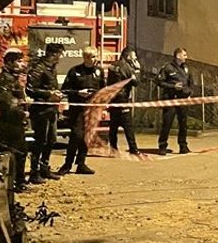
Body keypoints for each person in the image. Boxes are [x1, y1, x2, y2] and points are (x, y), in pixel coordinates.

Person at [59, 46, 104, 174]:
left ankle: (81, 163)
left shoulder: (99, 72)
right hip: (77, 109)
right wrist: (78, 93)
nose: (92, 60)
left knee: (86, 137)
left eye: (94, 57)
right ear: (84, 58)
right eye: (89, 57)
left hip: (92, 110)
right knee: (76, 136)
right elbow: (65, 90)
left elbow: (103, 90)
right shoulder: (75, 71)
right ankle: (67, 164)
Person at [24, 43, 64, 184]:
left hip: (51, 110)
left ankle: (44, 168)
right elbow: (30, 90)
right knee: (40, 141)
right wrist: (48, 94)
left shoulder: (51, 68)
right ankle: (34, 172)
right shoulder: (39, 68)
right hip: (40, 111)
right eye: (59, 54)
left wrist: (56, 94)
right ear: (53, 54)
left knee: (51, 140)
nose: (60, 57)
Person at [0, 50, 30, 191]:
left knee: (21, 152)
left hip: (16, 122)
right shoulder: (5, 79)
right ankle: (15, 183)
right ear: (9, 63)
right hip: (10, 123)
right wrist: (22, 112)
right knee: (16, 152)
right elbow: (7, 103)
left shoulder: (13, 78)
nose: (22, 64)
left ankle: (18, 181)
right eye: (19, 61)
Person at [156, 47, 193, 155]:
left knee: (183, 124)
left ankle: (183, 146)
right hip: (171, 99)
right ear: (178, 56)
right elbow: (159, 82)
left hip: (183, 100)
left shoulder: (186, 68)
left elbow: (191, 82)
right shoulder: (167, 68)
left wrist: (189, 93)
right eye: (184, 55)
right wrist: (173, 86)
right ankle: (162, 146)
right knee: (167, 124)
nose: (186, 57)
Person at [106, 46, 142, 154]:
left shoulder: (113, 65)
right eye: (134, 57)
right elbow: (135, 82)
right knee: (128, 126)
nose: (135, 59)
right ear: (128, 57)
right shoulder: (126, 67)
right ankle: (133, 148)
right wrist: (137, 70)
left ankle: (113, 149)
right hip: (122, 99)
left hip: (113, 98)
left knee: (113, 125)